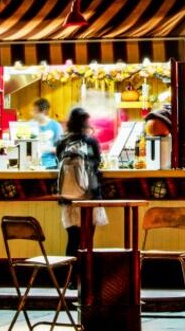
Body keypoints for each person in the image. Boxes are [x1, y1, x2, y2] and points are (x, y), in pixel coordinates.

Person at [55, 107, 106, 267]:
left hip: (68, 197)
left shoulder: (62, 142)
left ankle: (71, 278)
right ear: (85, 122)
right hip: (89, 197)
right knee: (87, 241)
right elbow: (97, 163)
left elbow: (58, 162)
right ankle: (86, 277)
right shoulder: (90, 142)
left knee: (72, 239)